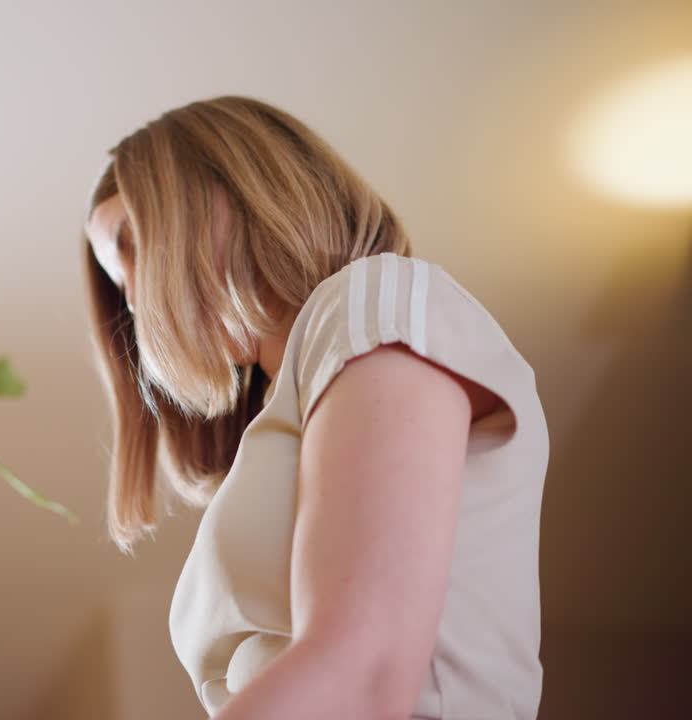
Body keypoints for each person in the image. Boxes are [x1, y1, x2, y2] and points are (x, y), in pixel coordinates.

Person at [81, 96, 548, 719]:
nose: (134, 297)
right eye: (118, 281)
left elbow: (363, 671)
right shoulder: (287, 413)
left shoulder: (374, 297)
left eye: (132, 244)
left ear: (224, 195)